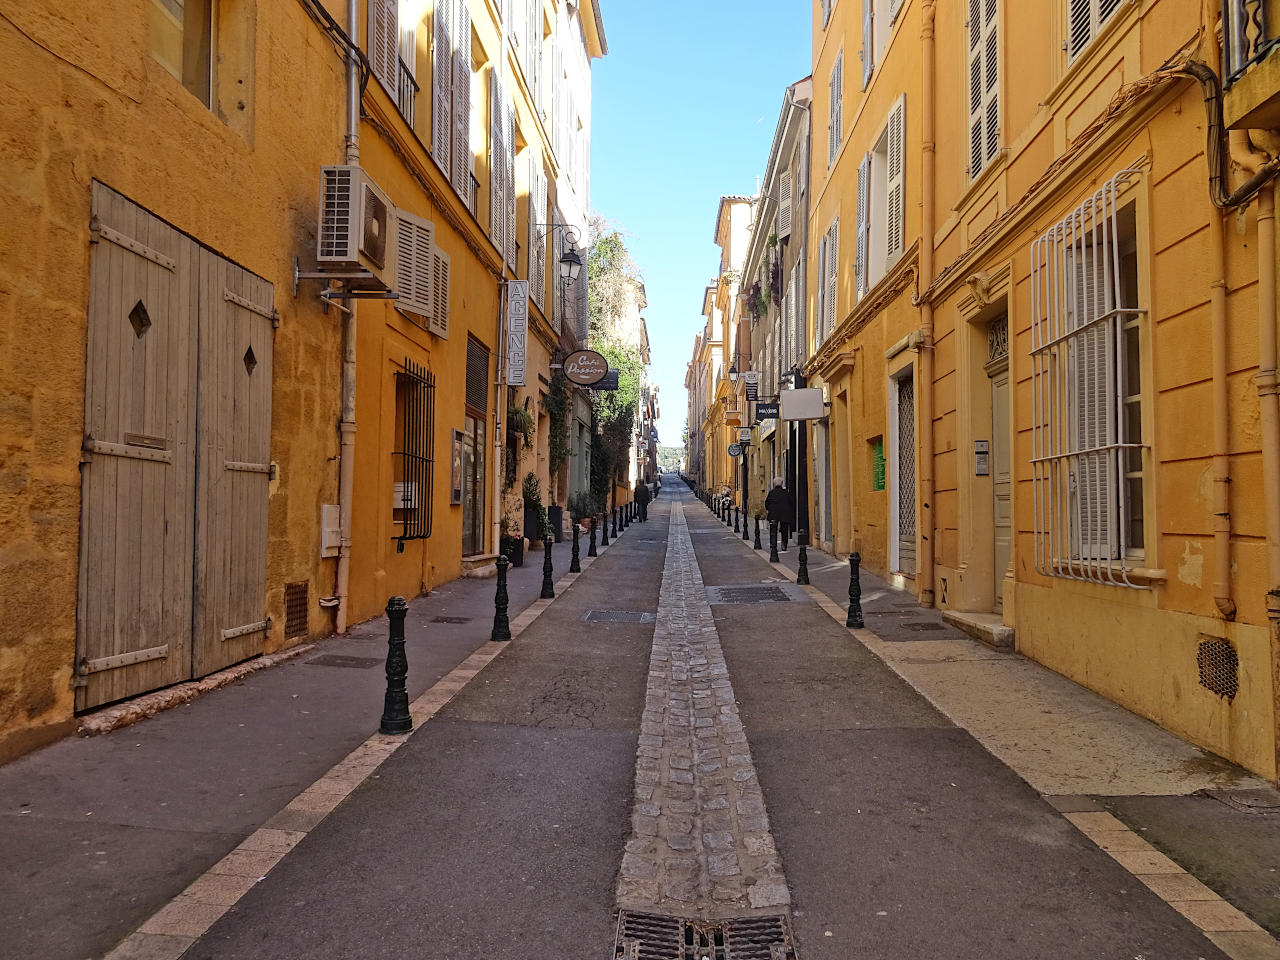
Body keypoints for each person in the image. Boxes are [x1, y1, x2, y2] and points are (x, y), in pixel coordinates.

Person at [764, 477, 794, 552]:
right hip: (784, 514)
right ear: (782, 483)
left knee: (773, 530)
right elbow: (791, 502)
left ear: (774, 484)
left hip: (774, 514)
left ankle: (773, 544)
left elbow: (766, 503)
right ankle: (784, 545)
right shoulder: (786, 492)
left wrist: (768, 510)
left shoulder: (771, 493)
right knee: (784, 530)